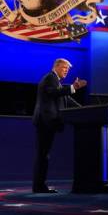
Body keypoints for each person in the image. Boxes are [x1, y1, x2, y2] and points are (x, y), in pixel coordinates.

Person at [32, 58, 87, 193]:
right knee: (43, 155)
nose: (66, 71)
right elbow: (55, 92)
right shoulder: (50, 78)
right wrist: (74, 87)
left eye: (68, 70)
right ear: (56, 67)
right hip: (45, 122)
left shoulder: (57, 83)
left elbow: (66, 99)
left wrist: (85, 109)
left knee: (44, 154)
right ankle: (39, 186)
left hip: (47, 122)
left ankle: (39, 185)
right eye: (64, 68)